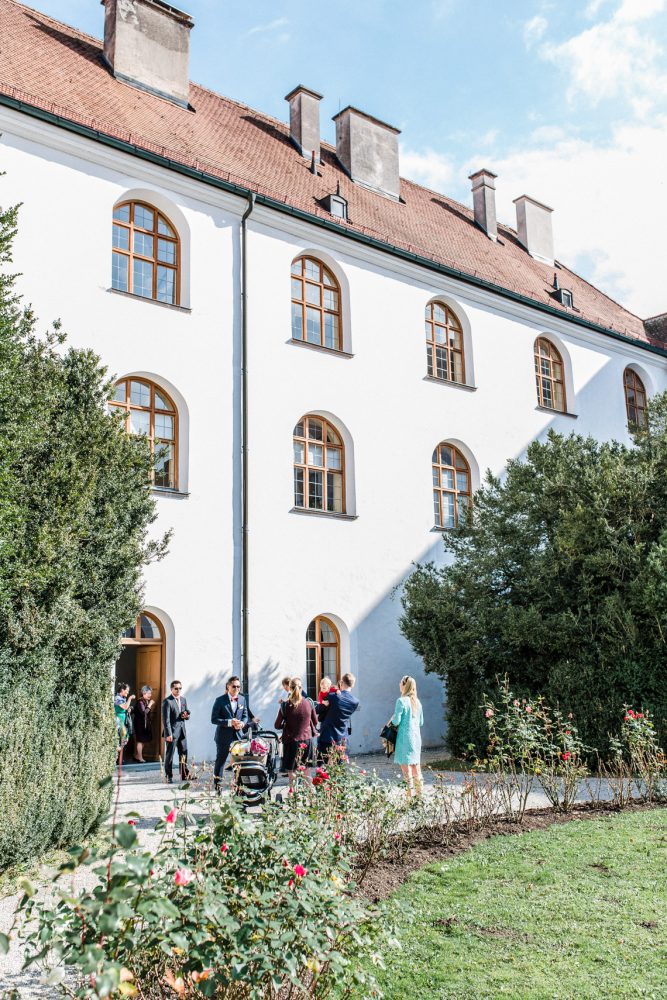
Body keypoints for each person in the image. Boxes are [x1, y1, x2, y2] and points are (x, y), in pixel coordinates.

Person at [275, 677, 318, 788]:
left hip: (291, 742)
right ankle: (311, 799)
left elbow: (277, 725)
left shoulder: (285, 705)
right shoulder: (309, 703)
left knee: (292, 775)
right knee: (307, 774)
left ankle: (292, 798)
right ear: (301, 687)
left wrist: (286, 724)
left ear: (290, 688)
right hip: (307, 741)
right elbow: (315, 721)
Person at [211, 676, 249, 791]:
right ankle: (218, 787)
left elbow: (245, 715)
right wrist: (229, 722)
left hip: (238, 736)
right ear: (228, 687)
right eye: (234, 686)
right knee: (221, 761)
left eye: (238, 686)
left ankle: (238, 786)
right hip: (223, 737)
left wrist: (242, 723)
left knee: (239, 762)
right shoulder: (220, 700)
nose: (237, 688)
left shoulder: (242, 699)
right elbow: (214, 719)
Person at [389, 675, 424, 798]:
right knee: (416, 770)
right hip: (416, 739)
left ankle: (409, 798)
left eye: (400, 682)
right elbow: (421, 722)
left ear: (405, 685)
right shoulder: (418, 702)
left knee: (406, 771)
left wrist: (391, 719)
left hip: (404, 738)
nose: (399, 684)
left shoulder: (401, 701)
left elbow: (396, 721)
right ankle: (419, 797)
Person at [317, 672, 359, 762]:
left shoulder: (332, 697)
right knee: (339, 769)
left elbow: (318, 710)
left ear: (341, 683)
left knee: (324, 769)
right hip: (342, 737)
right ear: (352, 685)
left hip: (327, 736)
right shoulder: (355, 701)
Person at [162, 680, 190, 784]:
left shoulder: (183, 700)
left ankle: (184, 774)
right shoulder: (167, 701)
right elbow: (166, 720)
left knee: (184, 753)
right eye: (176, 688)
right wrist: (168, 734)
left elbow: (185, 713)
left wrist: (186, 716)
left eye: (180, 688)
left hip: (182, 731)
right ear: (171, 689)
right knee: (170, 755)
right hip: (172, 733)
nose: (178, 690)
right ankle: (168, 776)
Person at [133, 685, 154, 762]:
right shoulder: (140, 701)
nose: (150, 695)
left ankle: (137, 756)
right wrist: (150, 705)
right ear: (143, 693)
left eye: (150, 693)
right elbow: (143, 713)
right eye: (148, 693)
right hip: (139, 724)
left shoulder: (146, 701)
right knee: (140, 740)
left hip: (145, 724)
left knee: (143, 740)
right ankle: (140, 758)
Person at [114, 683, 135, 760]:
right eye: (127, 691)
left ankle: (120, 756)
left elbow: (126, 708)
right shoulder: (117, 698)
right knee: (117, 739)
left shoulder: (122, 698)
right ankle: (116, 758)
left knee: (125, 738)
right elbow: (125, 706)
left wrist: (129, 709)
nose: (128, 693)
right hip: (118, 720)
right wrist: (130, 698)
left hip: (124, 720)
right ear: (122, 690)